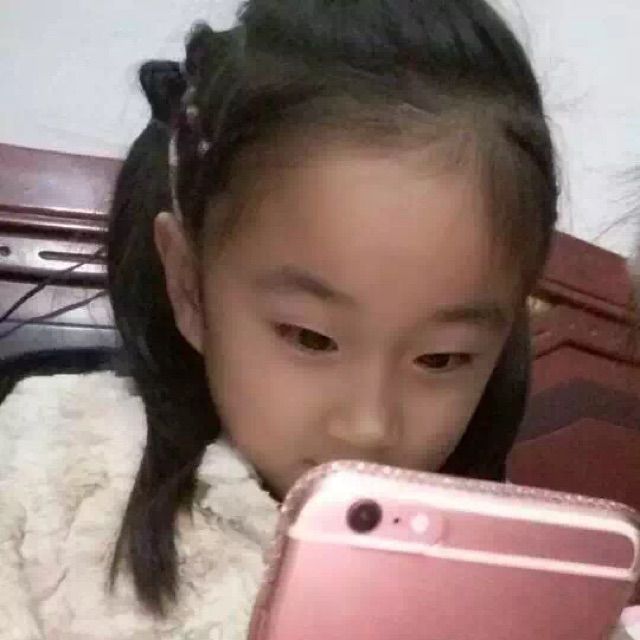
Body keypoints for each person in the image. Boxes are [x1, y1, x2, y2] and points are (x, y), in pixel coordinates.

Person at [0, 0, 634, 638]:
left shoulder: (512, 577)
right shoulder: (45, 481)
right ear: (191, 288)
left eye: (441, 358)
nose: (368, 425)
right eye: (310, 337)